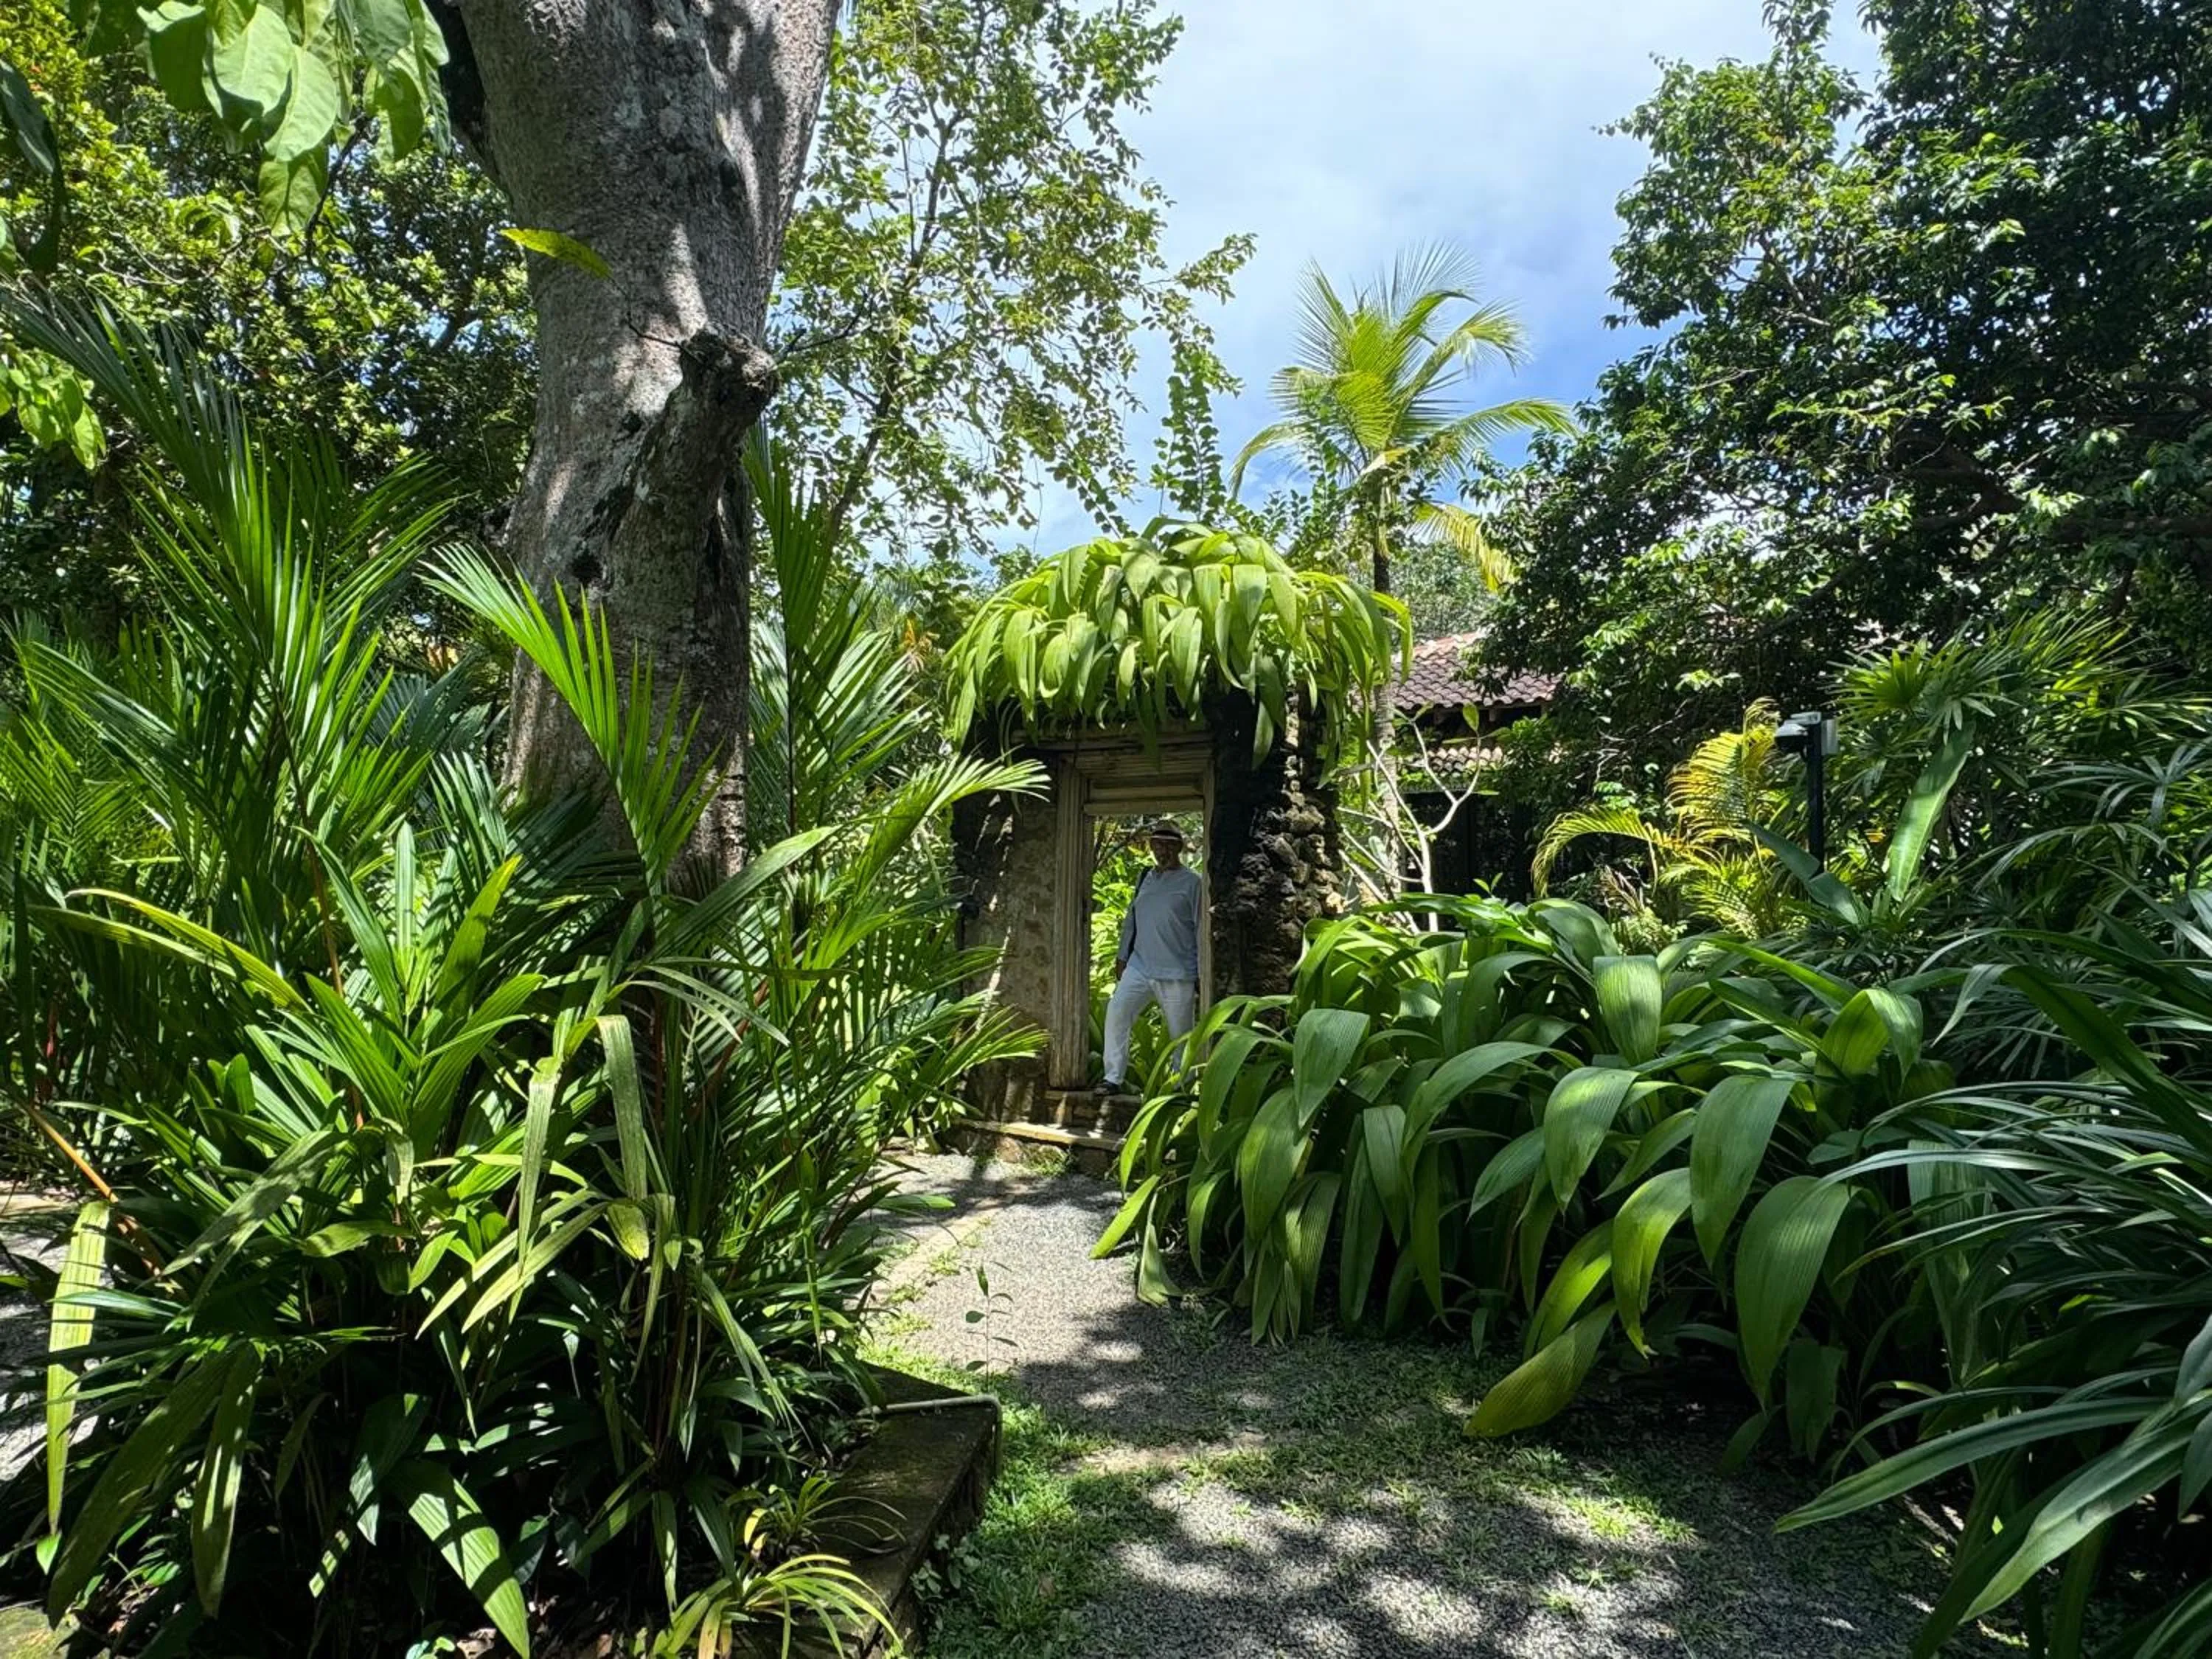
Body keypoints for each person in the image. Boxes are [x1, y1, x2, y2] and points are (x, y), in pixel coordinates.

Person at [1099, 820, 1203, 1095]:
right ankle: (1113, 1078)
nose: (1162, 851)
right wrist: (1122, 957)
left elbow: (1202, 928)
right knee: (1117, 1013)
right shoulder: (1145, 877)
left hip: (1178, 971)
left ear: (1179, 848)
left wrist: (1201, 972)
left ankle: (1181, 1087)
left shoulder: (1193, 883)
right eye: (1157, 845)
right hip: (1140, 966)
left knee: (1181, 1035)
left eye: (1169, 846)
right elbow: (1132, 920)